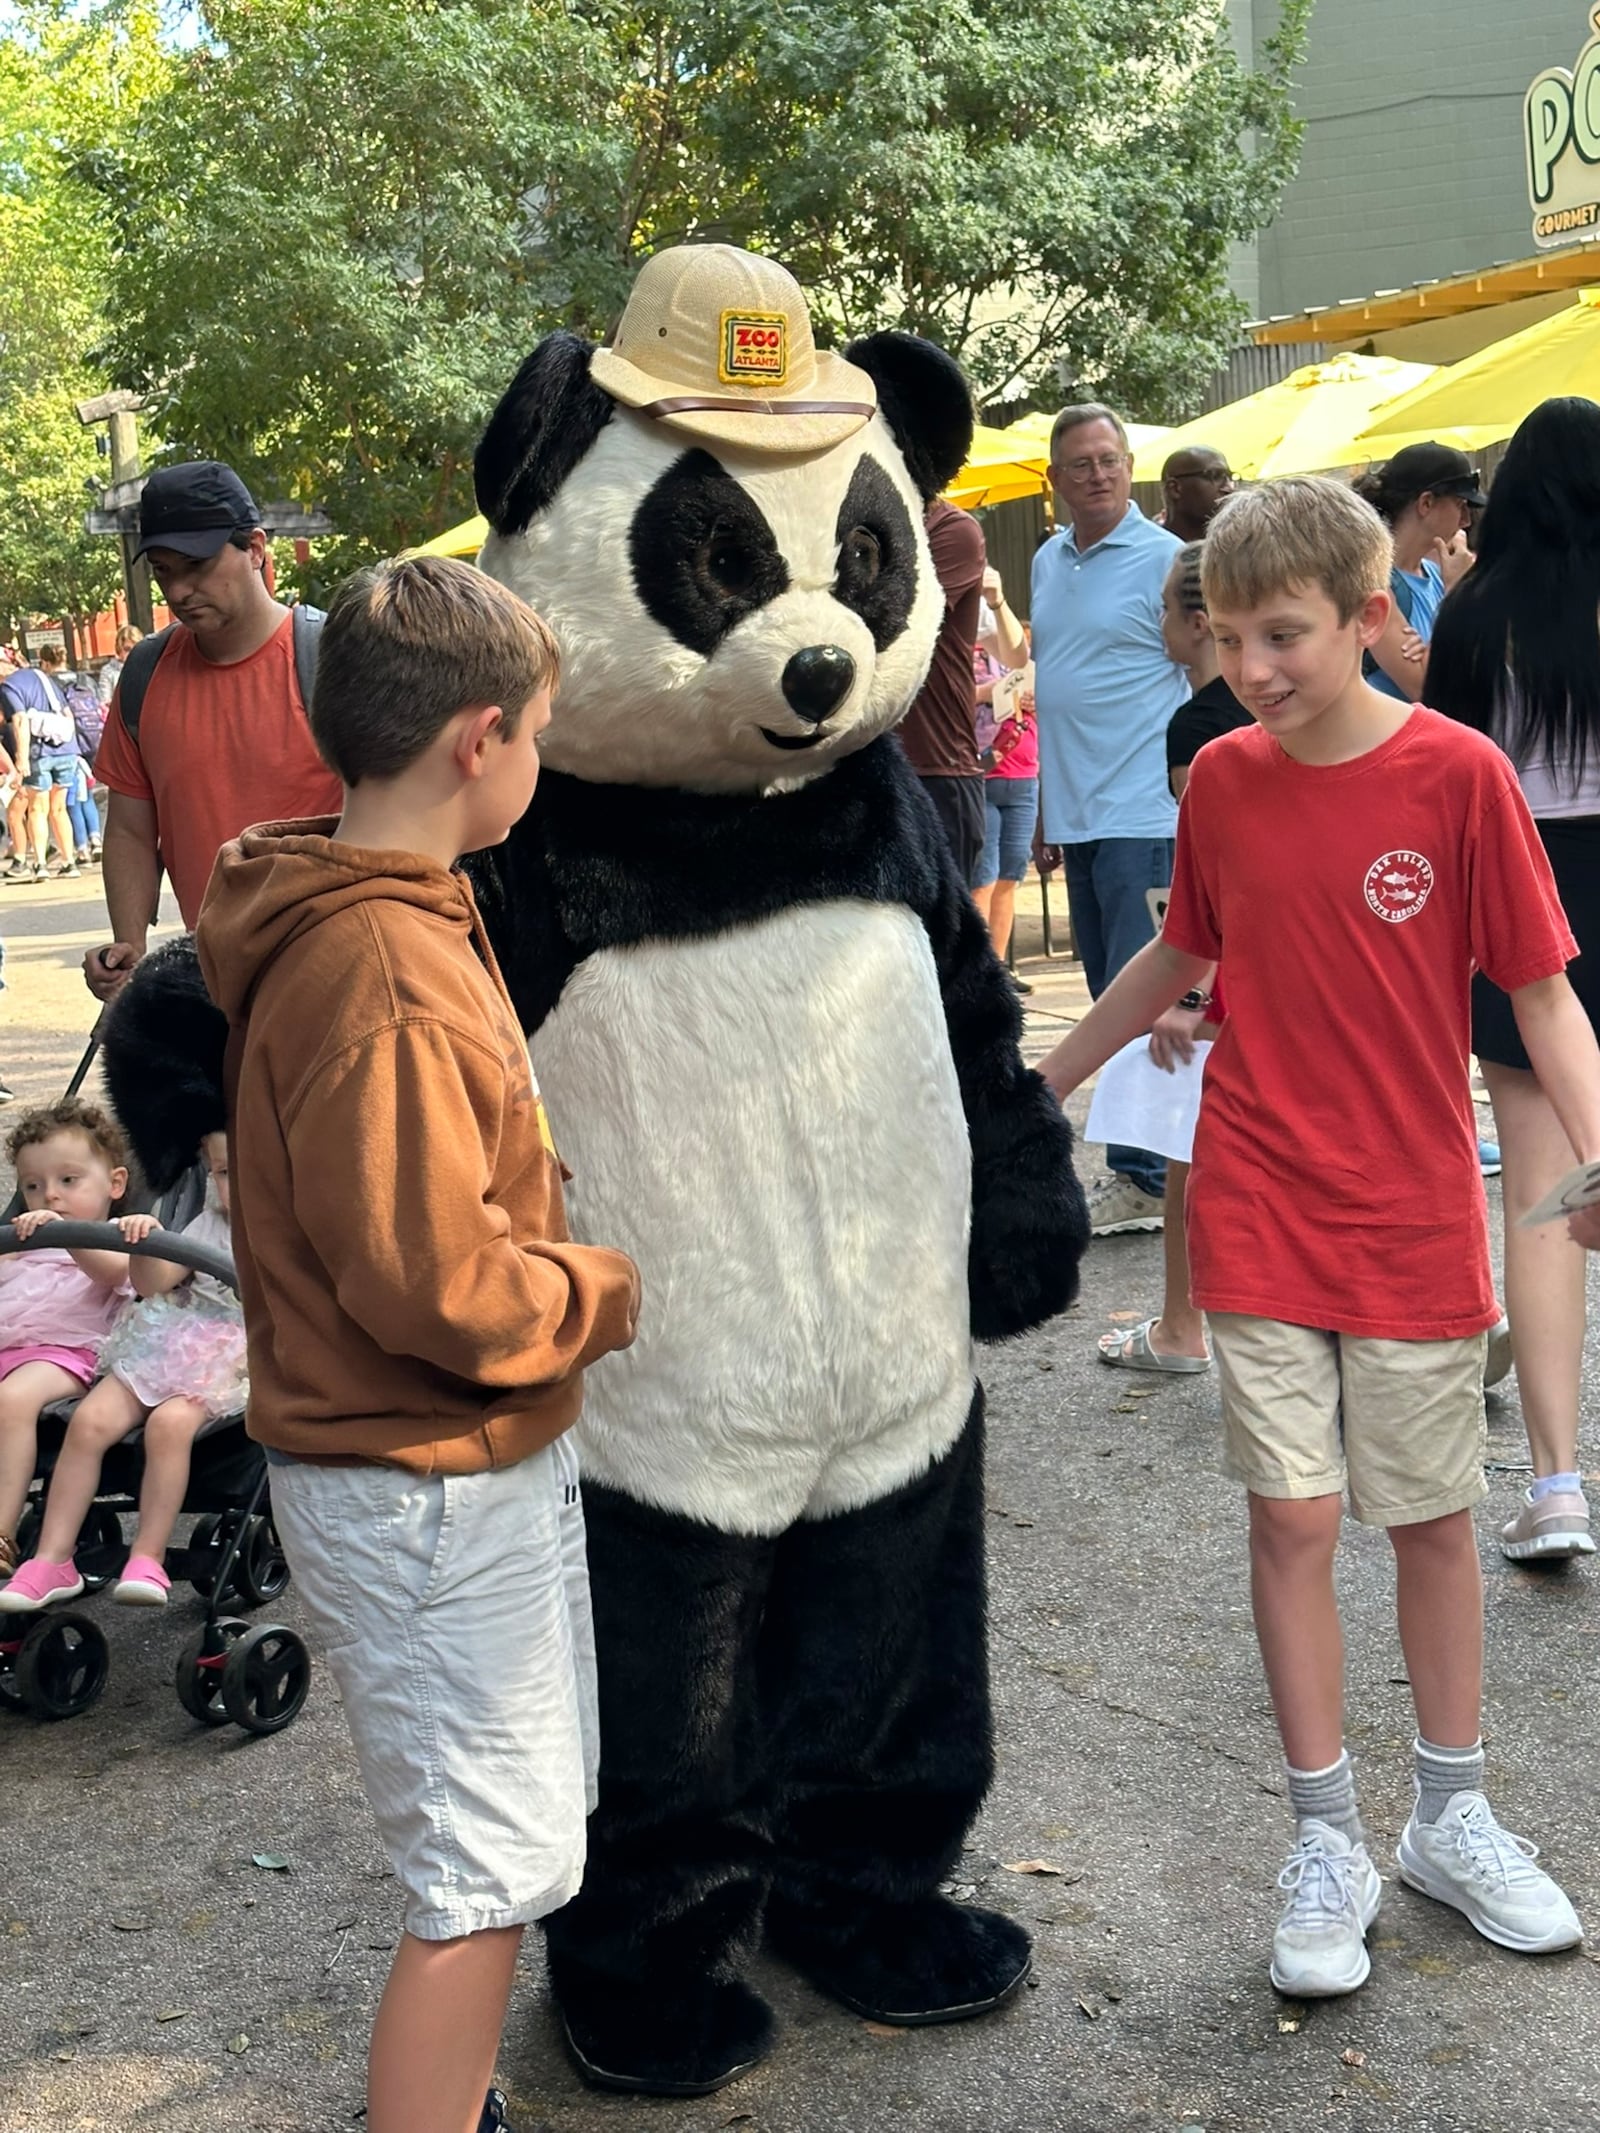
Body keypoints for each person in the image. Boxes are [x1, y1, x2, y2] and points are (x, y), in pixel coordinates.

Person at [1040, 475, 1600, 1997]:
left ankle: (1452, 1814)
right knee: (1288, 1516)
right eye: (1225, 638)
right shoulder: (1221, 778)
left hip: (1415, 1211)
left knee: (1428, 1518)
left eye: (1281, 635)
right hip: (1264, 1201)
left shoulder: (1461, 775)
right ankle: (1326, 1834)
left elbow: (1543, 991)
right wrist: (1044, 1079)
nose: (1252, 669)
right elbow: (1179, 947)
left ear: (1371, 617)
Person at [193, 555, 640, 2133]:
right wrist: (597, 1290)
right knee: (483, 1875)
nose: (541, 762)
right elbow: (431, 1279)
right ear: (478, 738)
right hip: (420, 1471)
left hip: (443, 1458)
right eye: (538, 735)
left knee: (512, 1842)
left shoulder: (388, 905)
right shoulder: (378, 961)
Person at [1429, 395, 1600, 1563]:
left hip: (1522, 908)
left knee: (1539, 1198)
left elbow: (1441, 789)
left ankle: (1553, 1485)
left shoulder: (1471, 612)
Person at [85, 461, 341, 1001]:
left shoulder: (335, 659)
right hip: (216, 981)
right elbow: (131, 828)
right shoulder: (145, 675)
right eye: (162, 570)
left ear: (254, 548)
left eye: (196, 566)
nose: (178, 590)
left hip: (334, 969)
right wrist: (127, 943)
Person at [1032, 403, 1185, 1233]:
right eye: (1080, 463)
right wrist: (1050, 809)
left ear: (1131, 467)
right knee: (1104, 993)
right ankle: (1147, 1164)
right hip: (1081, 816)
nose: (1097, 473)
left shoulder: (1168, 562)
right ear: (1054, 481)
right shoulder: (1050, 562)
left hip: (1143, 813)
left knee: (1139, 997)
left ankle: (1149, 1171)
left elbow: (1202, 679)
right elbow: (1055, 692)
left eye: (1109, 459)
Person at [1098, 542, 1249, 1374]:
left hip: (1231, 970)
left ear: (1199, 623)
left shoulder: (1201, 730)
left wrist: (1194, 995)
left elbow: (1220, 885)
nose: (1156, 622)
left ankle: (1181, 1327)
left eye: (1163, 608)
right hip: (1261, 964)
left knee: (1195, 1143)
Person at [0, 1130, 245, 1613]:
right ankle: (52, 1559)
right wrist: (150, 1244)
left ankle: (147, 1557)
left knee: (169, 1426)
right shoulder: (206, 1225)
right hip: (174, 1338)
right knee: (89, 1421)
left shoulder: (292, 1229)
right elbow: (152, 1285)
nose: (231, 1185)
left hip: (239, 1352)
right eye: (222, 1173)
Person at [0, 1100, 132, 1583]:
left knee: (12, 1399)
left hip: (67, 1352)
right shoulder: (23, 1240)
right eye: (33, 1186)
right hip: (9, 1346)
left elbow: (116, 1275)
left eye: (68, 1181)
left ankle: (1, 1532)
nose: (49, 1196)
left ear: (114, 1185)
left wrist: (70, 1236)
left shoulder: (118, 1235)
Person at [897, 497, 990, 884]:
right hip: (866, 771)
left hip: (937, 770)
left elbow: (895, 618)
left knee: (940, 938)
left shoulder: (949, 529)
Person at [1354, 442, 1485, 703]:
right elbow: (1428, 689)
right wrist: (1457, 594)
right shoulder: (1374, 584)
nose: (1466, 521)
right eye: (1460, 505)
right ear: (1426, 503)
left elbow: (1481, 668)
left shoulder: (1436, 575)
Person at [2, 646, 81, 884]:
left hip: (40, 751)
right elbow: (67, 713)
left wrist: (21, 758)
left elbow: (19, 721)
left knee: (37, 808)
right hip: (66, 748)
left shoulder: (9, 687)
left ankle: (41, 865)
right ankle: (69, 862)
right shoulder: (40, 676)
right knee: (59, 809)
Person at [1160, 446, 1234, 542]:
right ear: (1175, 489)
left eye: (1229, 477)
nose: (1229, 488)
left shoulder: (1237, 549)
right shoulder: (1147, 550)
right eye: (1215, 475)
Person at [95, 621, 143, 708]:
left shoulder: (146, 668)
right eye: (127, 649)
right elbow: (105, 701)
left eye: (136, 649)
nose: (132, 653)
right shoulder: (108, 671)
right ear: (119, 648)